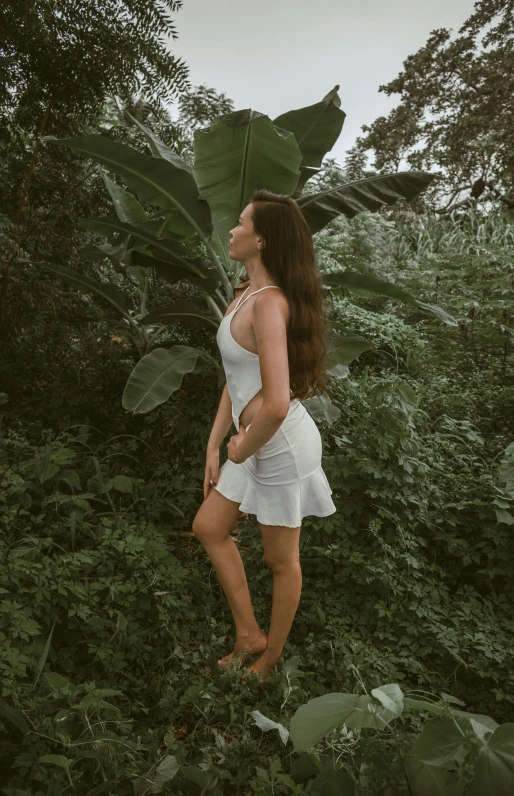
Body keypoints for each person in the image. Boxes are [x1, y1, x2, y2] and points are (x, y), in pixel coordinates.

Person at [192, 189, 337, 681]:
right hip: (252, 441)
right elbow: (237, 383)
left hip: (279, 445)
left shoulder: (270, 305)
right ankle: (248, 633)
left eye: (240, 223)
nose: (231, 231)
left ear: (262, 239)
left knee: (280, 560)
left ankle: (269, 660)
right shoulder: (245, 294)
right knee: (209, 528)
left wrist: (239, 449)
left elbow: (275, 403)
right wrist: (215, 444)